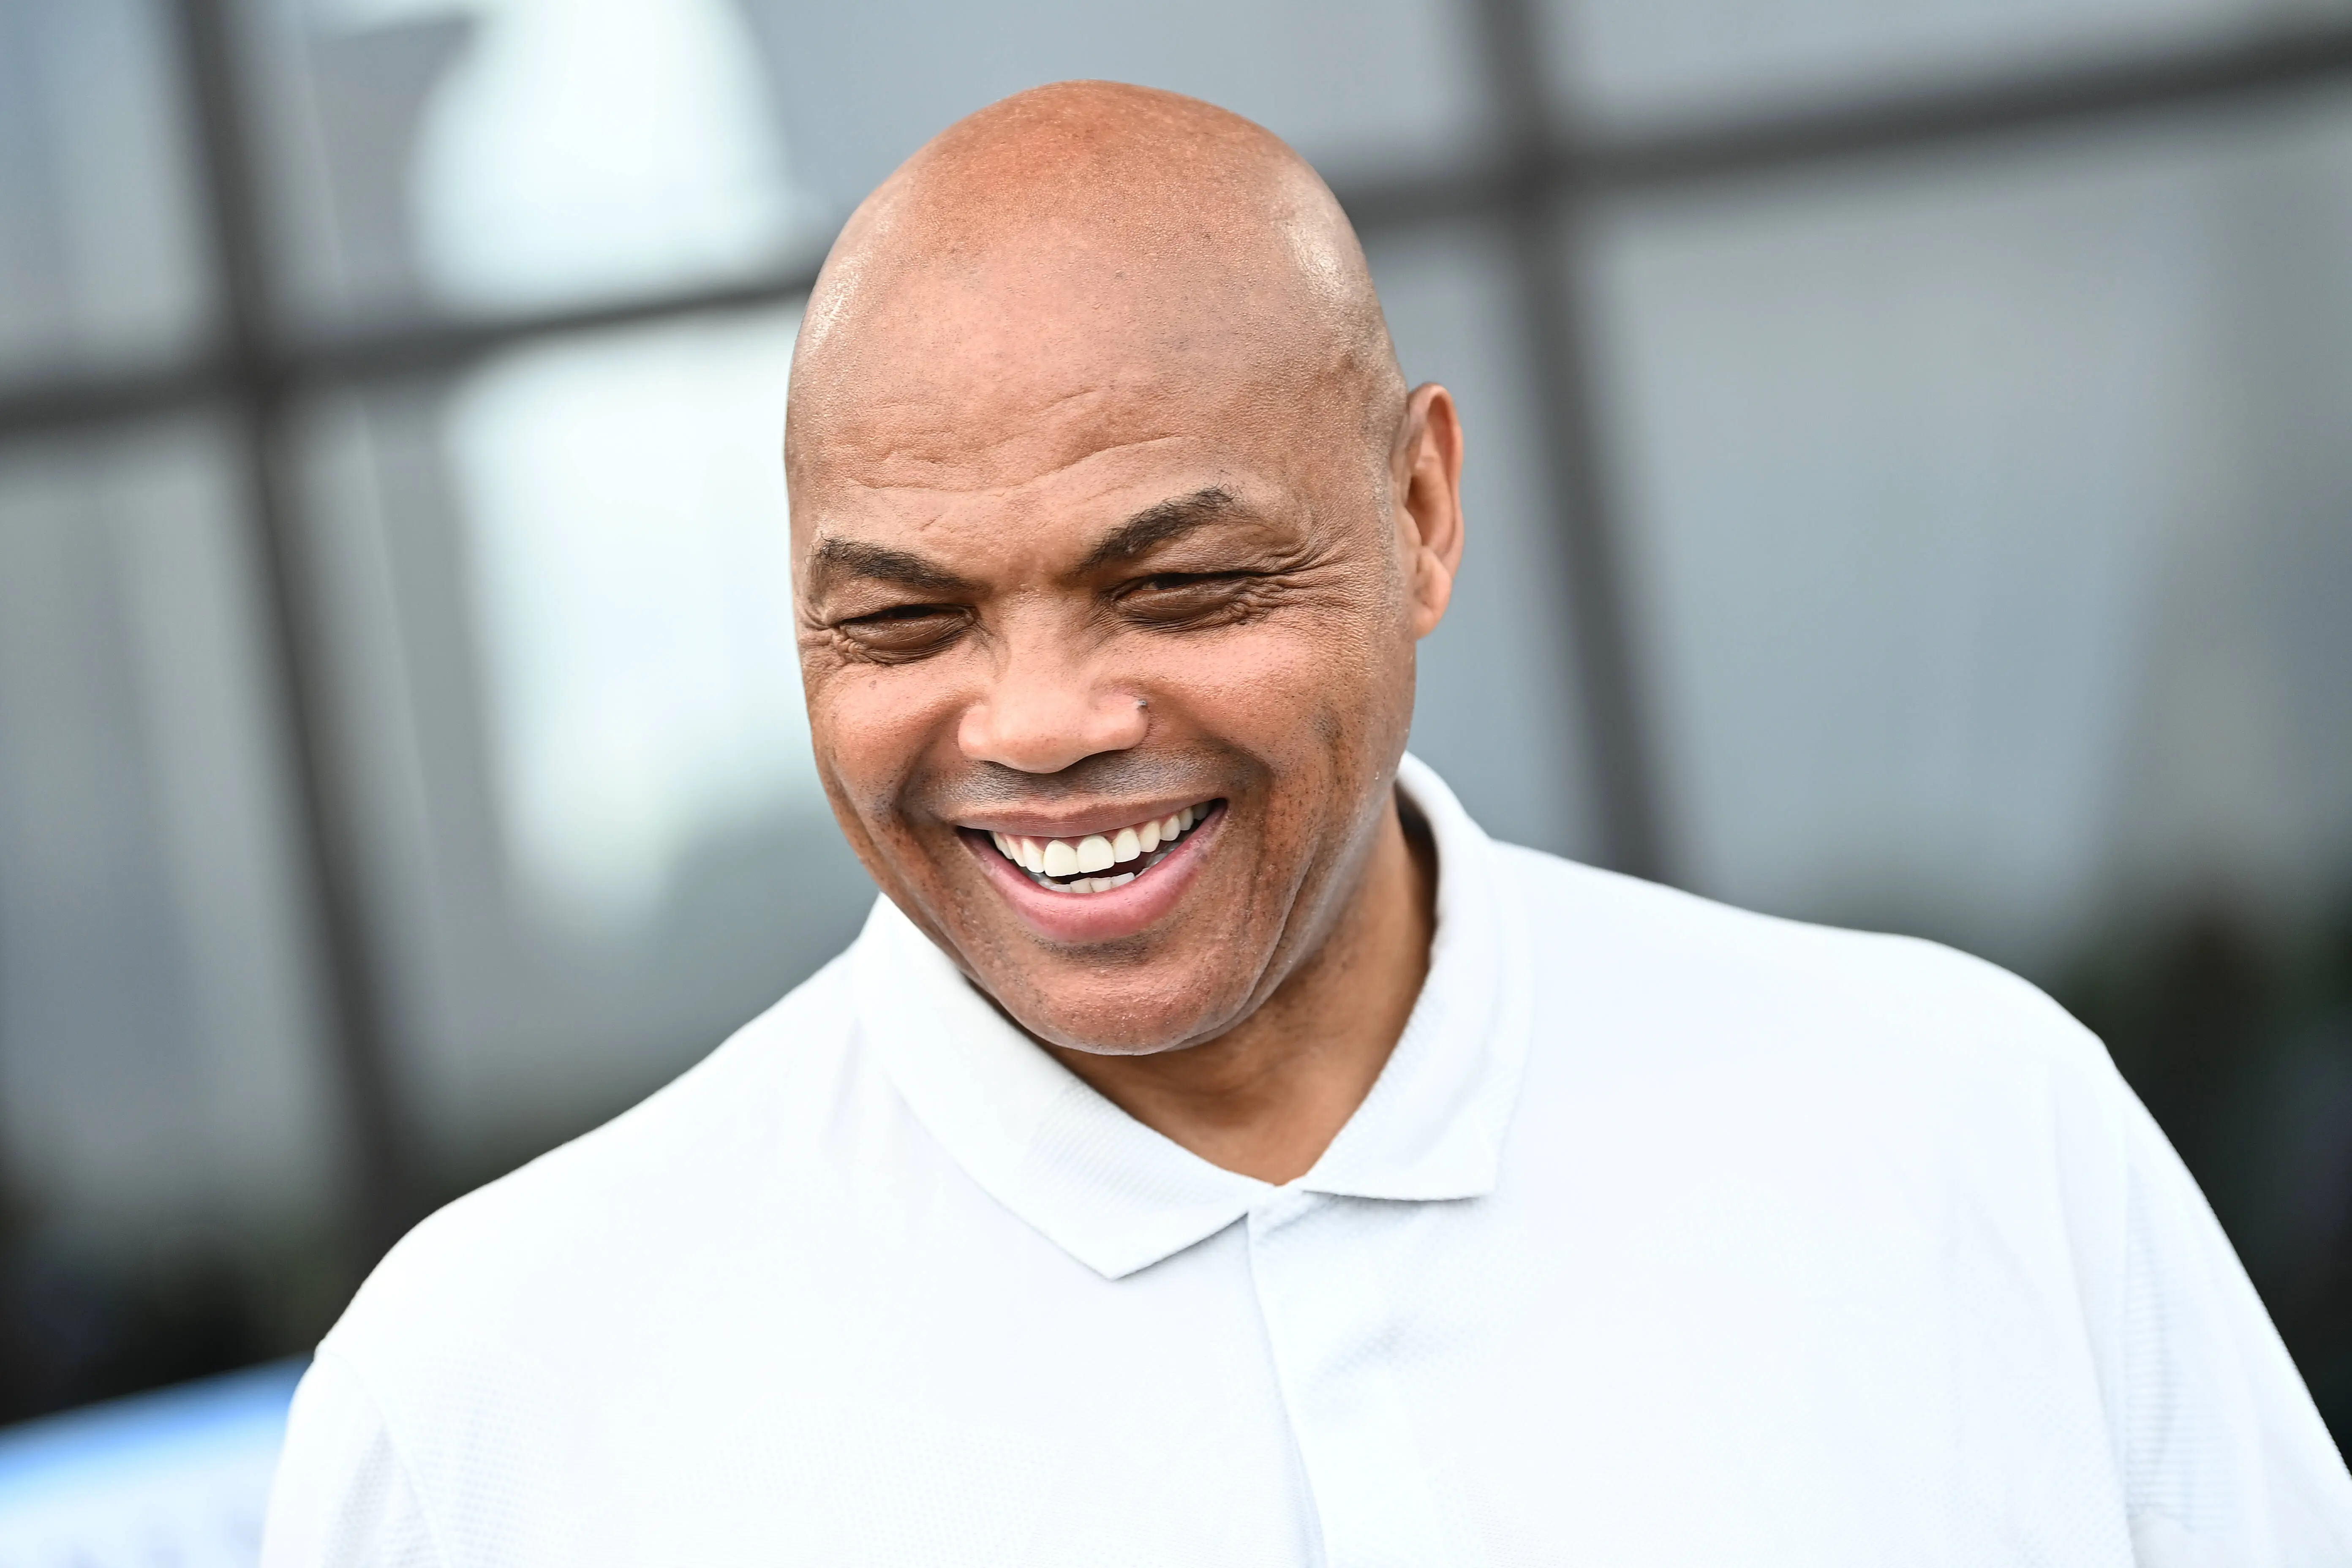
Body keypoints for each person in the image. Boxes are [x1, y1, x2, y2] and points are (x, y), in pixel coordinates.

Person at [262, 82, 2352, 1565]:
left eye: (1179, 588)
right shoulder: (492, 1405)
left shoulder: (1972, 1133)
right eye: (903, 619)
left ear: (1420, 511)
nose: (1046, 722)